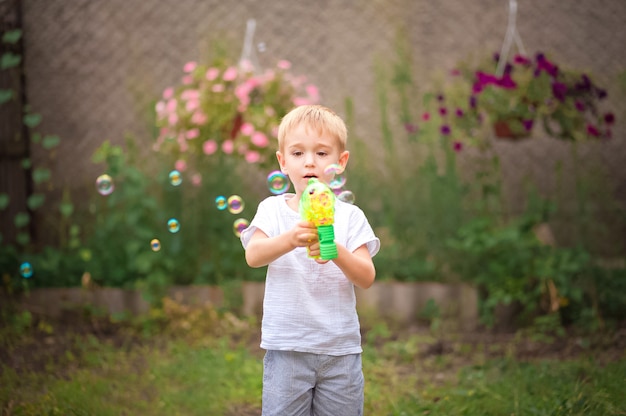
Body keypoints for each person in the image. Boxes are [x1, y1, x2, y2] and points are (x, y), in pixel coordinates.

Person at [240, 104, 380, 415]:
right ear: (282, 162)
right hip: (287, 348)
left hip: (339, 351)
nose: (309, 163)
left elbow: (366, 277)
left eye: (321, 153)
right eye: (298, 153)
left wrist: (335, 251)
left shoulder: (350, 216)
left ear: (340, 162)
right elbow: (254, 255)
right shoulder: (272, 210)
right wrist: (290, 238)